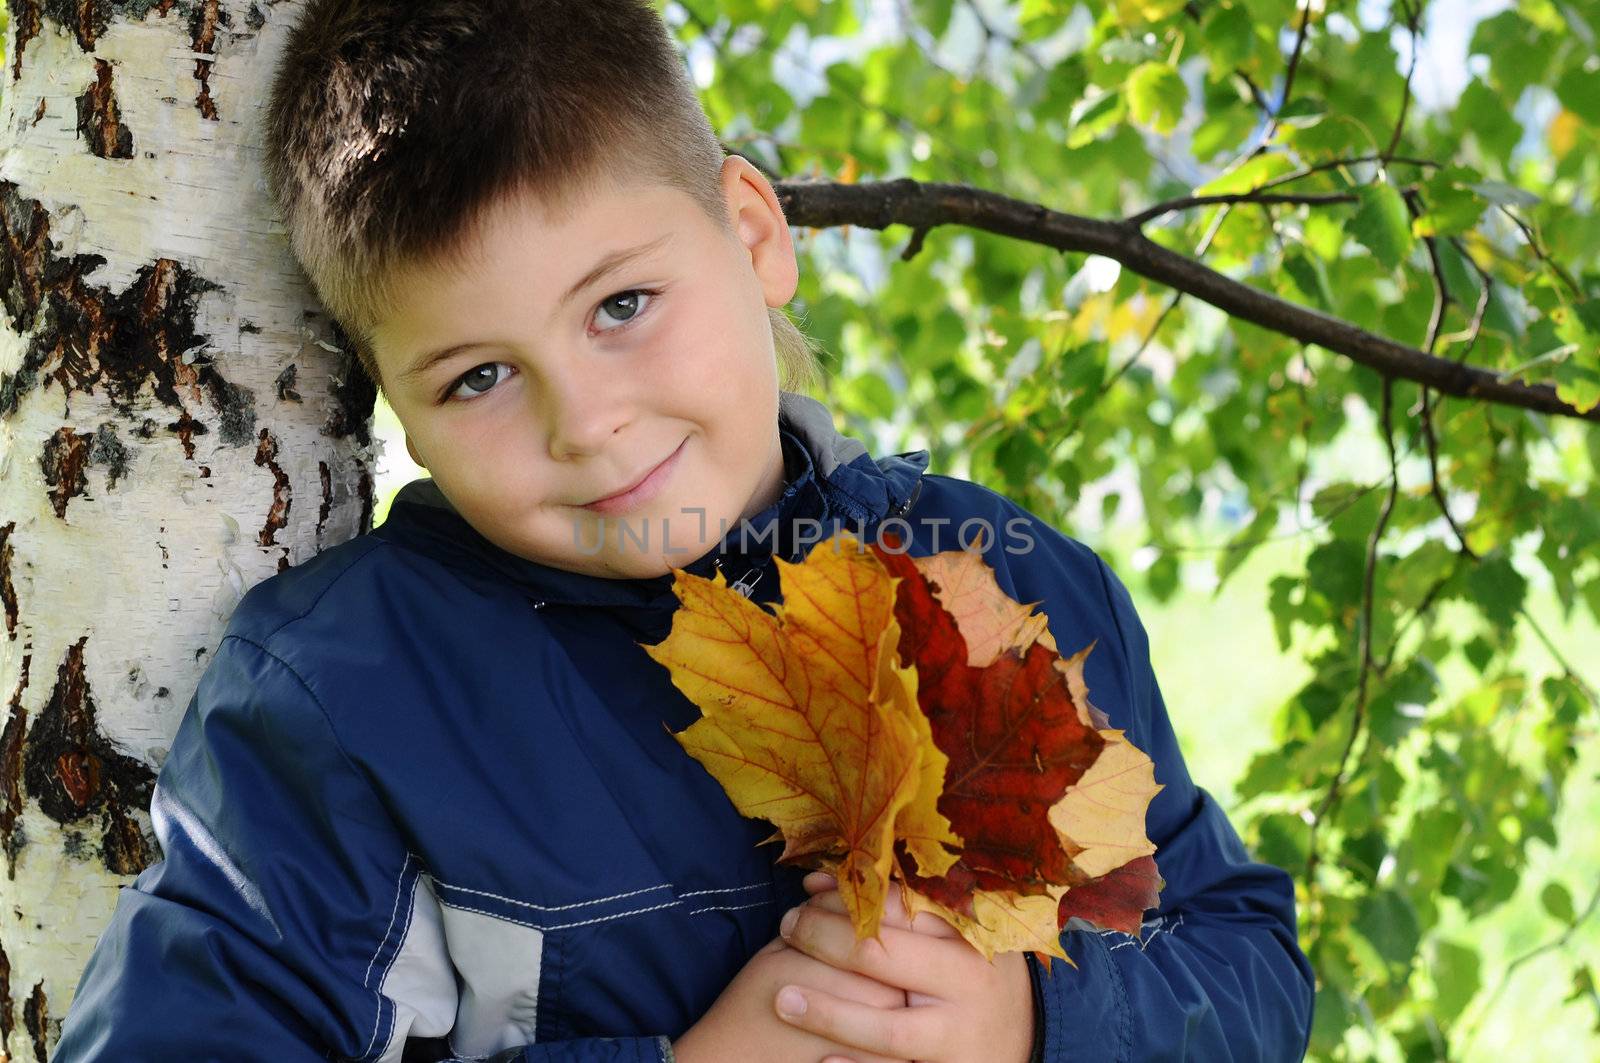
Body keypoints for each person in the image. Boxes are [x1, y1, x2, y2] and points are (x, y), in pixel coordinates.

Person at [52, 2, 1314, 1060]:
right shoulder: (346, 699)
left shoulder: (992, 585)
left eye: (623, 303)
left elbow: (1245, 962)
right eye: (477, 378)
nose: (588, 425)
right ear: (392, 400)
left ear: (754, 235)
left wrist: (1038, 1022)